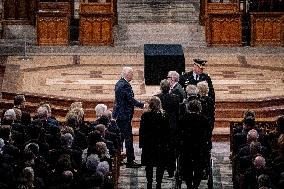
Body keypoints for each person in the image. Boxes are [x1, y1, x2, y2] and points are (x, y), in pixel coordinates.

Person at [112, 67, 145, 168]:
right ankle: (130, 161)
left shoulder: (119, 83)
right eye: (131, 74)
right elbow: (130, 99)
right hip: (124, 115)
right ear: (127, 74)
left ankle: (120, 158)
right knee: (128, 138)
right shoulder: (124, 85)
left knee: (121, 137)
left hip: (120, 115)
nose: (132, 76)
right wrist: (142, 105)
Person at [139, 96, 171, 189]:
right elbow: (168, 131)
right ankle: (158, 183)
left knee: (149, 165)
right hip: (161, 144)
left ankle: (149, 182)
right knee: (160, 165)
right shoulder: (164, 115)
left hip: (149, 144)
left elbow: (142, 131)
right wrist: (167, 143)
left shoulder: (145, 115)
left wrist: (142, 144)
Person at [155, 79, 180, 177]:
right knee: (171, 149)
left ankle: (160, 168)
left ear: (161, 88)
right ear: (170, 87)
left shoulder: (156, 98)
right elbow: (177, 113)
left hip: (159, 127)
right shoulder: (176, 98)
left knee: (160, 148)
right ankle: (171, 169)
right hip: (172, 127)